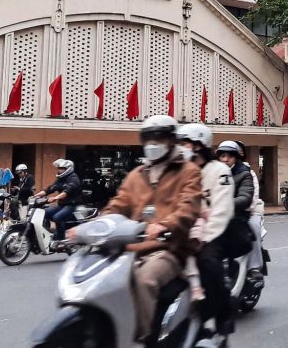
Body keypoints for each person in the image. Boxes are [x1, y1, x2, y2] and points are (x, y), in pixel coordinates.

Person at [99, 116, 202, 344]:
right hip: (132, 246)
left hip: (170, 248)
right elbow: (119, 204)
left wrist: (165, 225)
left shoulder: (189, 171)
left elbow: (189, 208)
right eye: (149, 139)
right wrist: (98, 224)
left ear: (172, 140)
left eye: (160, 138)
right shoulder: (137, 174)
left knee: (145, 279)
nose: (153, 144)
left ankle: (143, 338)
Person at [177, 123, 234, 346]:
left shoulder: (219, 171)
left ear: (200, 145)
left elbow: (222, 210)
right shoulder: (179, 171)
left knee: (208, 263)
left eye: (186, 143)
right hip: (181, 230)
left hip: (211, 233)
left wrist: (204, 239)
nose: (181, 148)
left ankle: (221, 318)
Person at [232, 140, 265, 287]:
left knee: (252, 228)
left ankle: (255, 268)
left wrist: (238, 208)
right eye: (223, 155)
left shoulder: (248, 173)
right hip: (223, 212)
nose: (227, 158)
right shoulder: (218, 172)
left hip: (248, 212)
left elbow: (251, 198)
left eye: (232, 154)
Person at [36, 158, 82, 242]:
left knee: (57, 217)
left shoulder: (74, 178)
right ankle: (47, 233)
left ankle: (60, 238)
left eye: (62, 169)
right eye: (59, 168)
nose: (60, 170)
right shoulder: (61, 179)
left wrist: (55, 198)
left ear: (68, 169)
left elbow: (66, 192)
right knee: (41, 213)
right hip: (62, 205)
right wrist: (35, 195)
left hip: (72, 206)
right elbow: (50, 189)